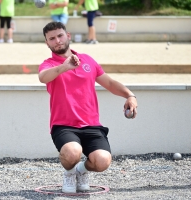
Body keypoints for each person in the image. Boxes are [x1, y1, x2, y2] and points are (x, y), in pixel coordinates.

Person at [39, 22, 138, 193]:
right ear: (47, 43)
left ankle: (80, 170)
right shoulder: (49, 64)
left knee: (103, 161)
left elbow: (110, 83)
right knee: (72, 153)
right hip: (64, 126)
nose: (57, 41)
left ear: (68, 35)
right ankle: (69, 171)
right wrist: (64, 66)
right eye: (52, 39)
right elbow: (43, 77)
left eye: (60, 36)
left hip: (91, 125)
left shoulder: (88, 60)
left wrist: (130, 95)